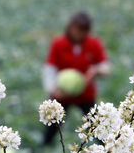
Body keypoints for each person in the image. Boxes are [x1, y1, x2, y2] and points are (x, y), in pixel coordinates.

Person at [42, 12, 110, 144]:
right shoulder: (58, 43)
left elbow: (105, 66)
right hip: (60, 95)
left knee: (96, 126)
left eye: (83, 31)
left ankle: (107, 152)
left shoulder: (93, 43)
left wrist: (96, 70)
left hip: (85, 94)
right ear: (70, 27)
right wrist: (52, 89)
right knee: (52, 128)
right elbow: (49, 68)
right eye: (78, 30)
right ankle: (43, 149)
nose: (80, 34)